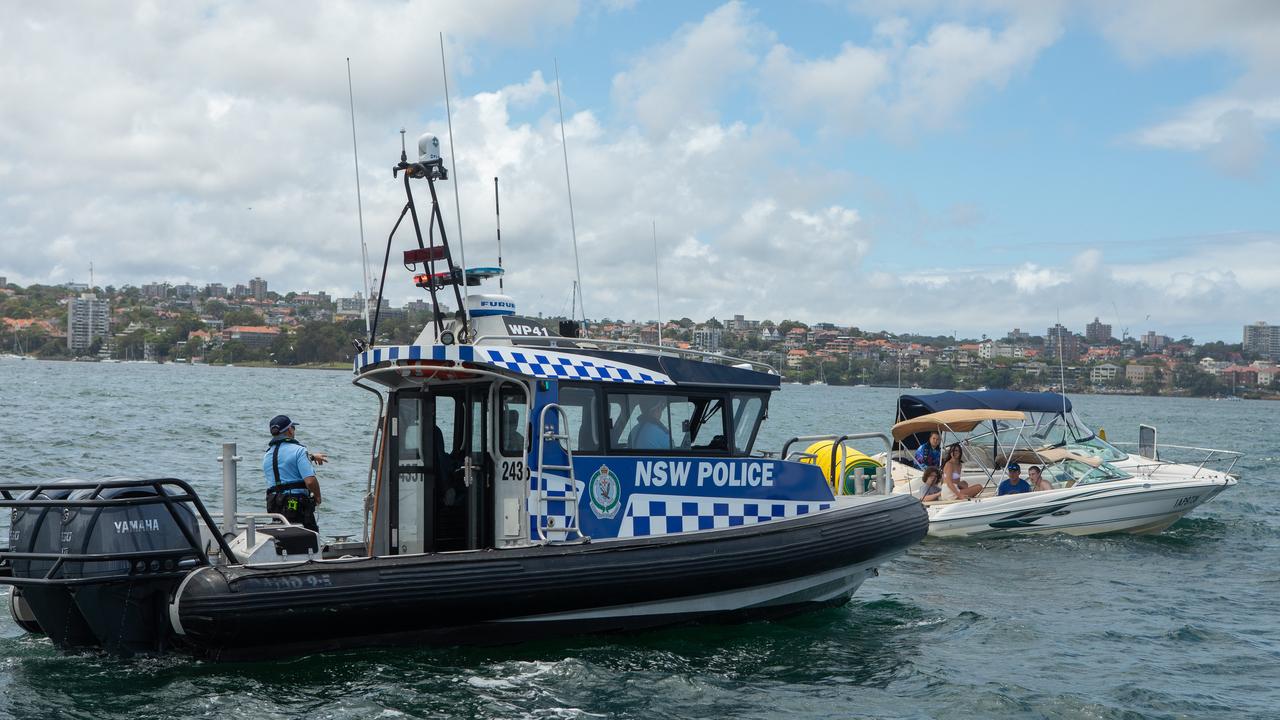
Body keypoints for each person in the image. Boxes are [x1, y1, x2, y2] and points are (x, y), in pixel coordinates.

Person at [262, 414, 326, 533]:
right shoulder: (299, 451)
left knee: (282, 537)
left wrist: (311, 457)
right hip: (296, 505)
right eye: (293, 428)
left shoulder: (268, 455)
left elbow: (284, 461)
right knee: (308, 537)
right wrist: (317, 497)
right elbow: (310, 481)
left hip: (274, 504)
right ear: (290, 430)